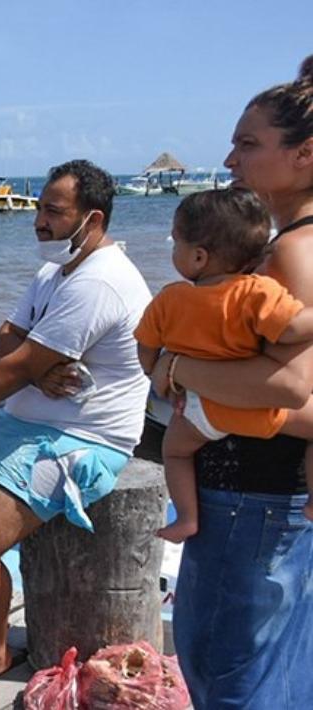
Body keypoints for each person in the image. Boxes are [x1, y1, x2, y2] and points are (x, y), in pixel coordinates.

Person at [0, 159, 152, 696]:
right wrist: (37, 372)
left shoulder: (103, 281)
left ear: (91, 219)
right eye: (39, 208)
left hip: (84, 436)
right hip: (29, 416)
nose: (38, 221)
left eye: (52, 211)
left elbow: (17, 362)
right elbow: (7, 340)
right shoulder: (54, 271)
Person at [152, 56, 313, 708]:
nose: (230, 159)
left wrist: (177, 369)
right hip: (276, 502)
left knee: (226, 678)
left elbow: (294, 390)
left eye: (248, 144)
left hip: (250, 498)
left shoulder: (289, 251)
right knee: (280, 676)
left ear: (306, 154)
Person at [136, 189, 313, 544]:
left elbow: (146, 350)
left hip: (198, 411)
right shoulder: (257, 292)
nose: (173, 251)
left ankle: (186, 518)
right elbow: (293, 328)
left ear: (199, 257)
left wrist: (163, 374)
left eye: (176, 244)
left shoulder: (170, 298)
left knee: (174, 451)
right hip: (252, 407)